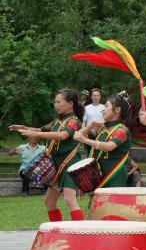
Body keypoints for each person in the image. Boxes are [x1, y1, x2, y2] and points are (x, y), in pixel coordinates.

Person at [9, 89, 85, 221]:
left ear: (70, 104)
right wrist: (24, 128)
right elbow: (40, 129)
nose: (55, 105)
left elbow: (63, 135)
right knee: (49, 202)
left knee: (69, 199)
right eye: (55, 102)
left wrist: (36, 134)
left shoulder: (73, 121)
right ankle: (57, 230)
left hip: (70, 163)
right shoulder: (57, 120)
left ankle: (79, 232)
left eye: (58, 102)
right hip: (56, 163)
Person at [72, 92, 134, 189]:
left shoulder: (122, 130)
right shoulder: (102, 128)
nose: (103, 110)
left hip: (114, 174)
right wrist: (89, 126)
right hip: (99, 174)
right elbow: (77, 136)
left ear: (117, 110)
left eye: (106, 106)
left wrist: (85, 140)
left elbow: (110, 146)